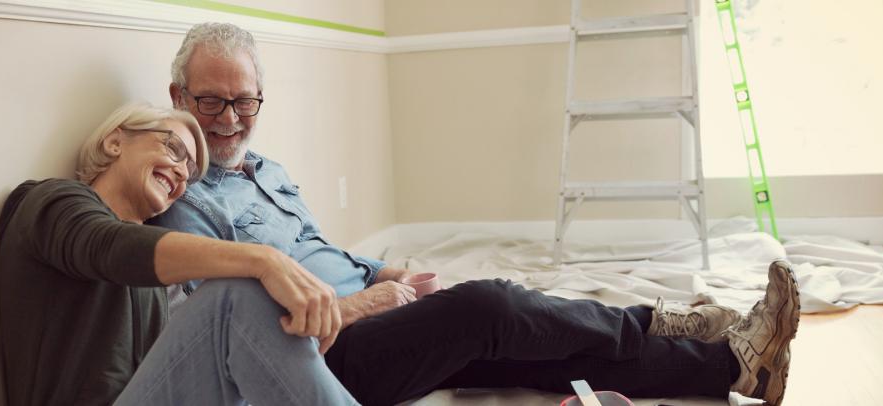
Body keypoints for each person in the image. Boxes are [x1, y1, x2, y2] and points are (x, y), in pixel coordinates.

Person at [148, 22, 803, 406]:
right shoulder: (183, 209)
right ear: (179, 95)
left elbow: (323, 252)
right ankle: (659, 320)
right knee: (489, 306)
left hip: (383, 315)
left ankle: (737, 365)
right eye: (211, 103)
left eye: (245, 102)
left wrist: (383, 271)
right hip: (329, 357)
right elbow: (243, 335)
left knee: (537, 350)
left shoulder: (270, 173)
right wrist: (370, 305)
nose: (231, 121)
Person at [0, 102, 358, 406]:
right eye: (174, 149)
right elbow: (107, 246)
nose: (183, 173)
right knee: (235, 296)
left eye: (191, 174)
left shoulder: (158, 281)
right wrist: (265, 260)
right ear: (115, 142)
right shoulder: (51, 201)